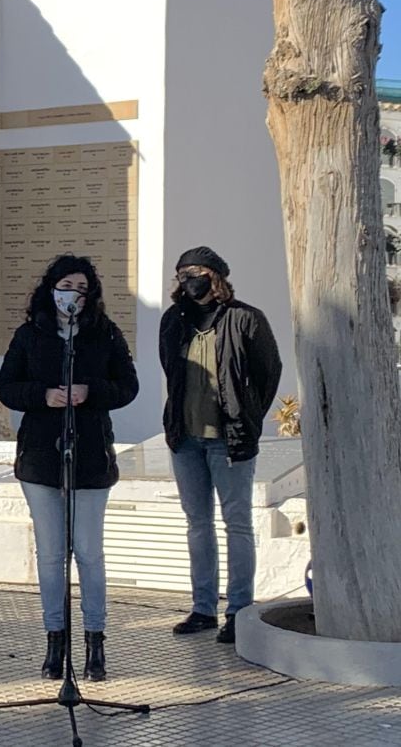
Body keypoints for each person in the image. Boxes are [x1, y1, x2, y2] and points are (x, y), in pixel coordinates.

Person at [0, 255, 138, 682]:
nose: (71, 293)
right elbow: (7, 387)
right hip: (41, 456)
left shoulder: (105, 334)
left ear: (89, 294)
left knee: (89, 552)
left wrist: (89, 392)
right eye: (65, 284)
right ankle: (54, 638)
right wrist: (43, 395)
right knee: (51, 555)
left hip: (91, 456)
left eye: (80, 286)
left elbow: (128, 386)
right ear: (50, 289)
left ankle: (95, 640)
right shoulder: (30, 334)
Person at [159, 246, 281, 644]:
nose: (186, 280)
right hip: (185, 439)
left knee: (238, 524)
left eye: (193, 272)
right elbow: (170, 372)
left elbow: (269, 372)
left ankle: (239, 610)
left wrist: (249, 418)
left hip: (229, 441)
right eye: (180, 274)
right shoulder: (173, 321)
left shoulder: (246, 318)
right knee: (198, 524)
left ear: (215, 276)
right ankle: (202, 608)